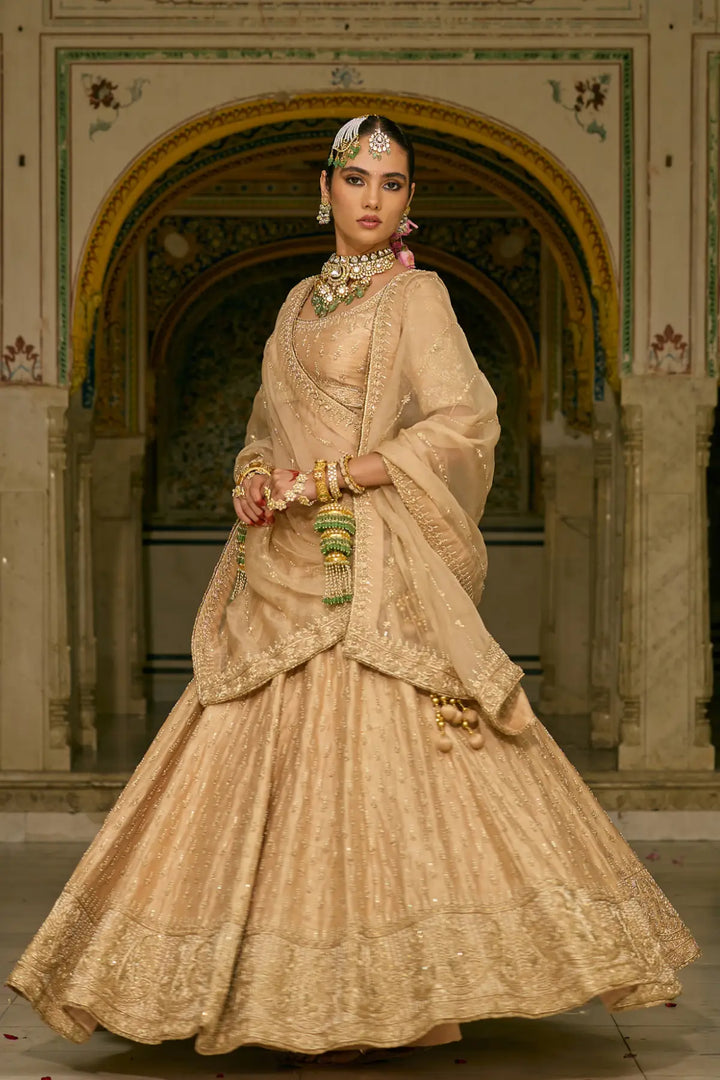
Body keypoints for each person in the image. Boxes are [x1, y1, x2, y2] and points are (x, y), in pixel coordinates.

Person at [7, 115, 699, 1069]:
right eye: (357, 178)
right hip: (279, 563)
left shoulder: (416, 296)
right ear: (325, 188)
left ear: (410, 200)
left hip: (369, 560)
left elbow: (463, 423)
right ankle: (271, 991)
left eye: (393, 182)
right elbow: (264, 425)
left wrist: (342, 475)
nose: (373, 197)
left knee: (389, 766)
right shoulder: (297, 302)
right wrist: (255, 476)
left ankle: (399, 998)